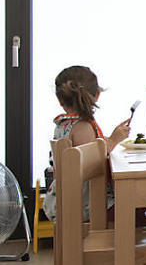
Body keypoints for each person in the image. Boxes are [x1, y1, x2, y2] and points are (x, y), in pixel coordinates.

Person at [44, 66, 130, 221]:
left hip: (66, 199)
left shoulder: (63, 125)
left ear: (60, 99)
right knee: (134, 206)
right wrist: (114, 140)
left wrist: (108, 139)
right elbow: (93, 161)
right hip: (86, 204)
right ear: (97, 95)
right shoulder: (82, 127)